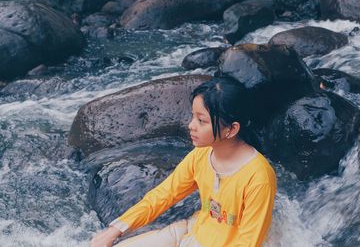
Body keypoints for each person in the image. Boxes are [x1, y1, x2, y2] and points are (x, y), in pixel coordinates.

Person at [90, 76, 277, 247]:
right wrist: (115, 230)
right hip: (190, 232)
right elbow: (163, 195)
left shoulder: (259, 176)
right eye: (193, 116)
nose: (191, 125)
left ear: (231, 129)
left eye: (201, 121)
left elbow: (249, 242)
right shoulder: (201, 155)